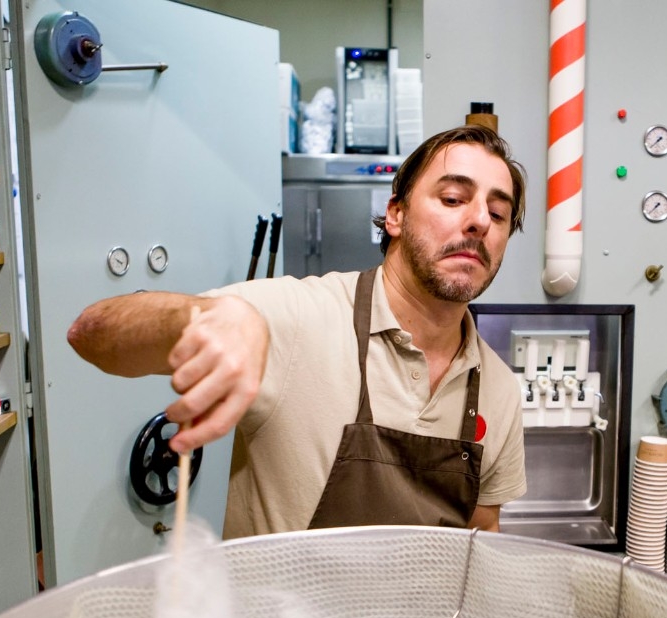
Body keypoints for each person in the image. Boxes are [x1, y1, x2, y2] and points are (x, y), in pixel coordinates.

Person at [68, 125, 528, 538]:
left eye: (498, 213)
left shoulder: (499, 390)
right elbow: (91, 332)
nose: (479, 221)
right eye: (452, 199)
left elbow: (481, 531)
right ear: (396, 215)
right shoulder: (298, 319)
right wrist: (204, 320)